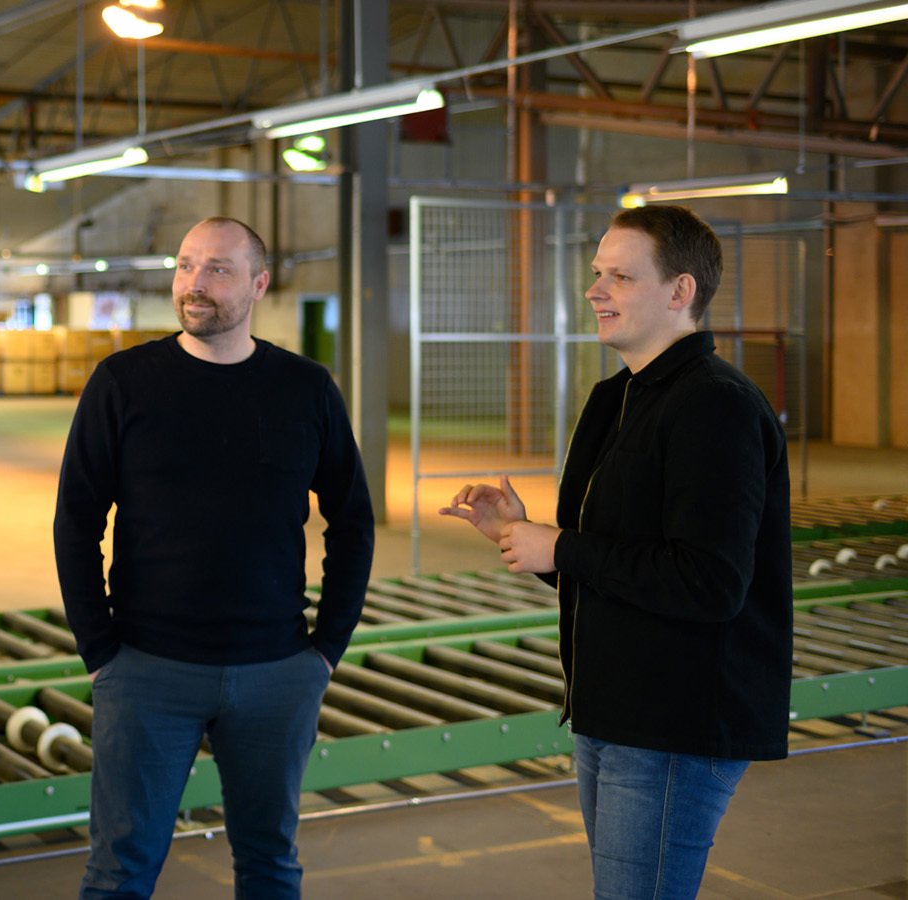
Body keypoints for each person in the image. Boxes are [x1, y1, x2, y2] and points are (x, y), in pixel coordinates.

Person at [440, 205, 792, 899]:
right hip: (612, 710)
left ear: (680, 290)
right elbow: (618, 564)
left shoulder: (714, 405)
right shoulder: (618, 399)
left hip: (674, 722)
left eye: (620, 277)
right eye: (597, 273)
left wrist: (563, 546)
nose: (594, 290)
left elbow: (709, 582)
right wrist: (527, 537)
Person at [54, 216, 375, 899]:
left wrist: (325, 650)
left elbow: (352, 520)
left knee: (269, 863)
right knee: (119, 870)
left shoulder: (305, 388)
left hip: (276, 673)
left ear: (259, 284)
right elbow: (77, 520)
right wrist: (100, 651)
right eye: (185, 265)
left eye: (218, 269)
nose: (194, 283)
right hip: (146, 671)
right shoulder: (123, 382)